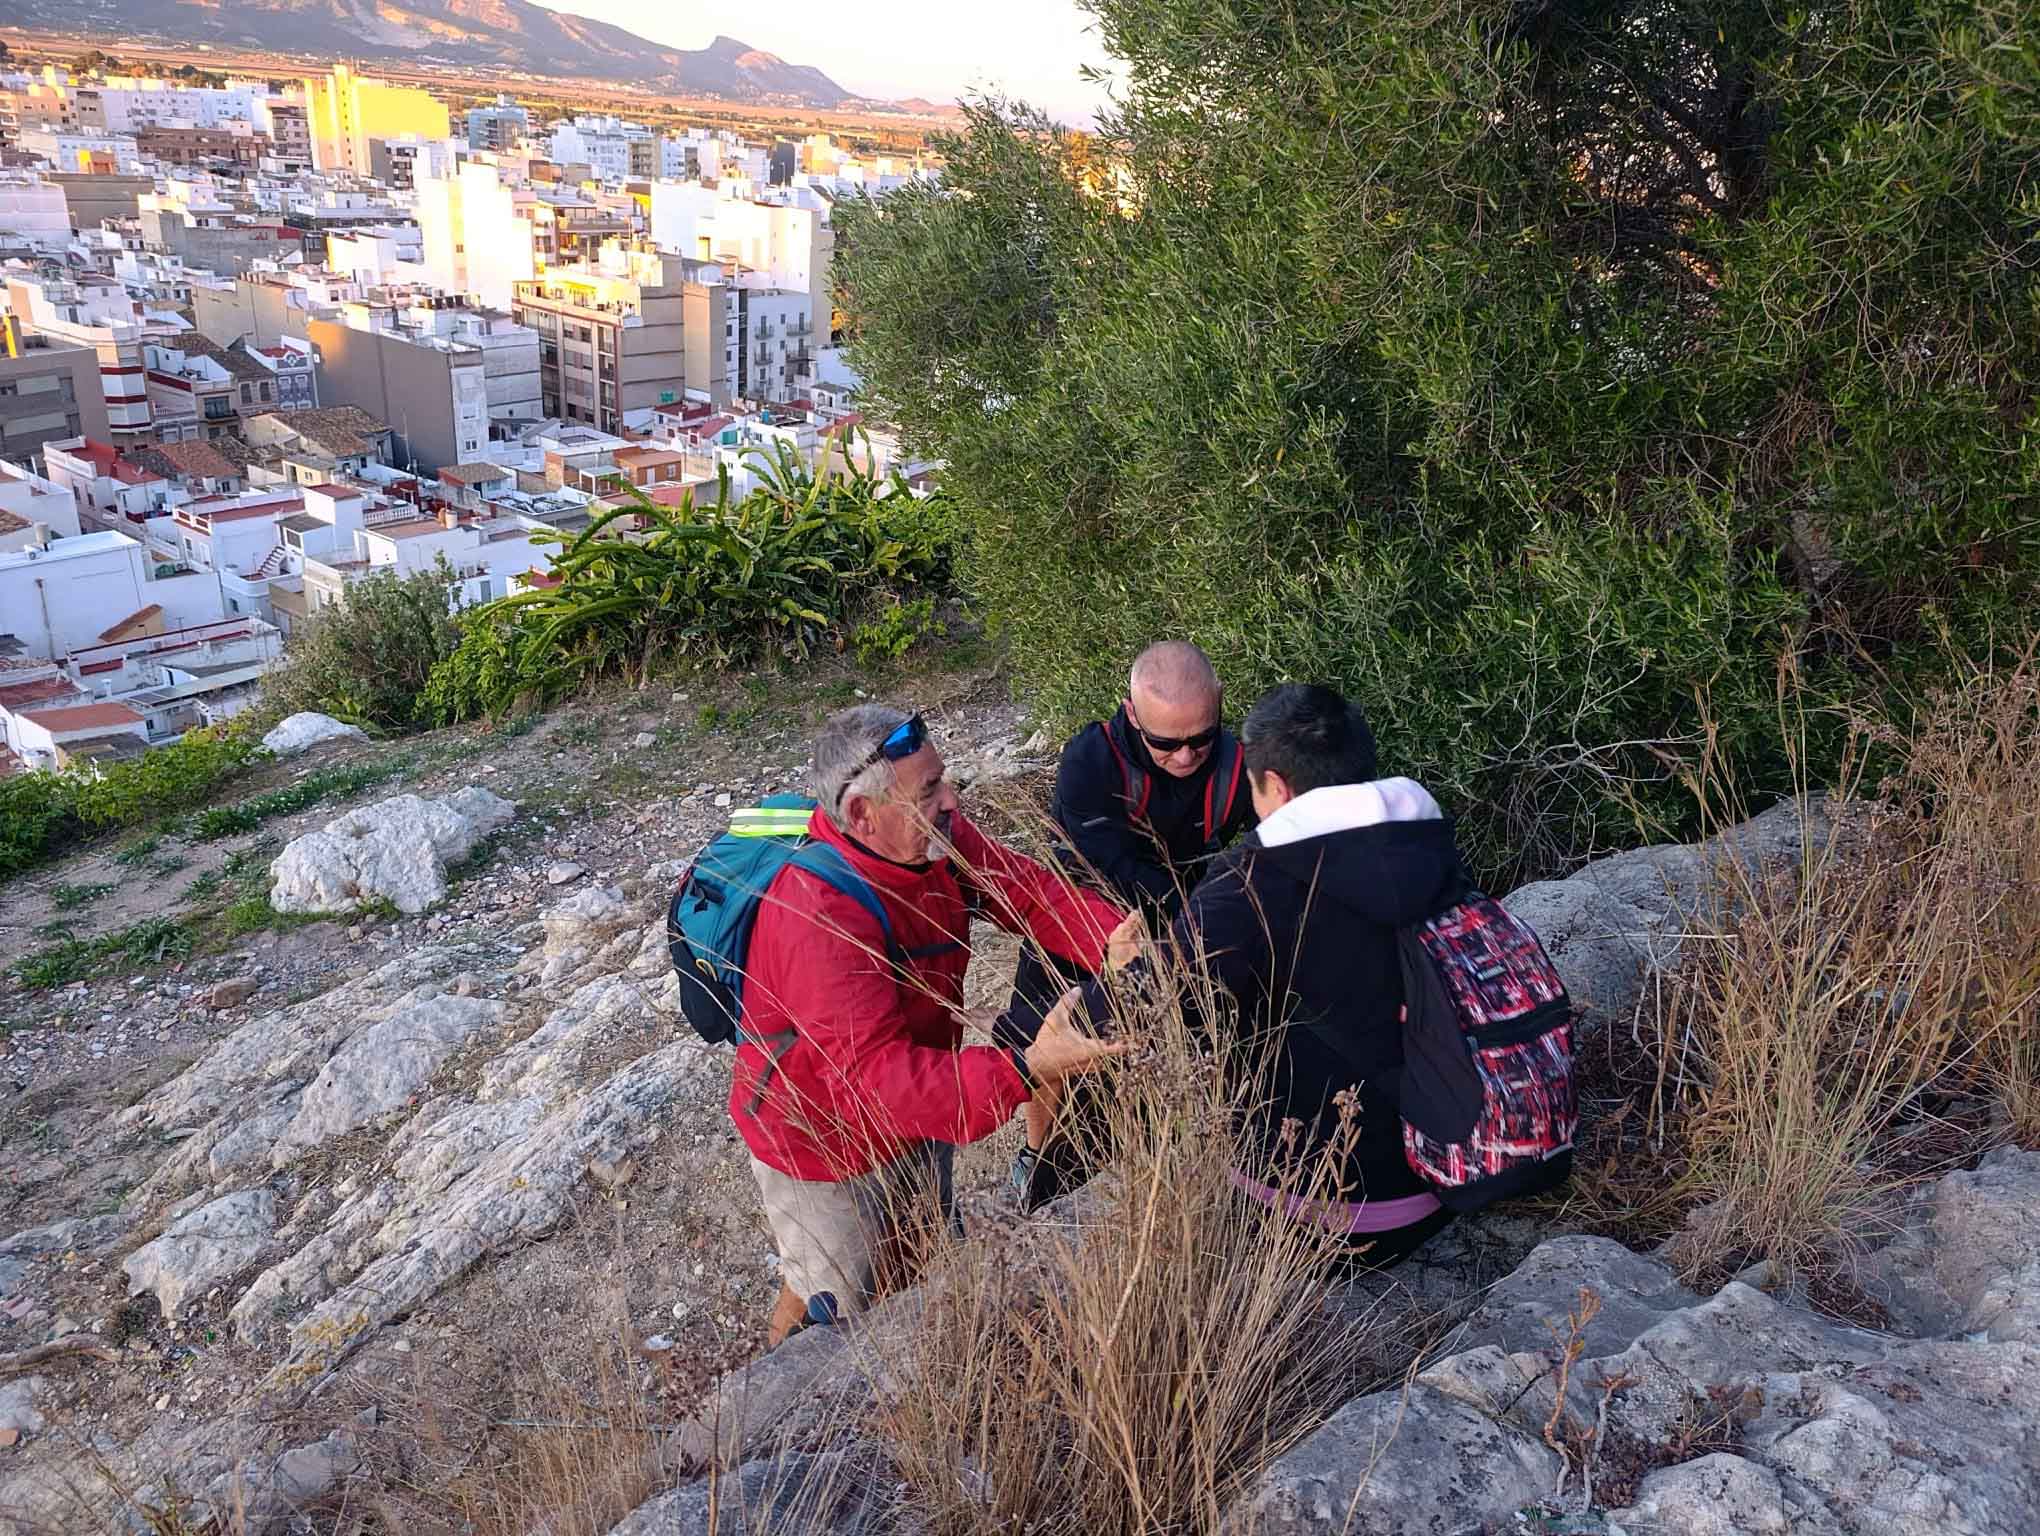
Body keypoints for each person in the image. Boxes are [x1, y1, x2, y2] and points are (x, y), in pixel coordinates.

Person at [732, 703, 1138, 1346]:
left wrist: (1113, 941)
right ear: (863, 815)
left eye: (942, 778)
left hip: (920, 1101)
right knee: (840, 1306)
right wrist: (1025, 1068)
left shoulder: (933, 839)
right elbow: (879, 1082)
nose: (952, 799)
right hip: (825, 1141)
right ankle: (778, 1395)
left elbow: (1029, 893)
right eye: (930, 790)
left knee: (910, 1258)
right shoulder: (817, 915)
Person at [1103, 683, 1466, 1268]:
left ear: (1274, 785)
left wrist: (1127, 968)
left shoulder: (1246, 883)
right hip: (1439, 1182)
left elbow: (1145, 1013)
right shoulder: (1426, 843)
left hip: (1314, 1218)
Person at [1004, 640, 1254, 1205]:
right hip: (1079, 922)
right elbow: (1102, 867)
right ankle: (1035, 1154)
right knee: (1043, 1043)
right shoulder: (1091, 761)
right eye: (1166, 743)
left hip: (1176, 934)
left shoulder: (1238, 765)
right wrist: (1202, 908)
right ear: (1132, 712)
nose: (1186, 757)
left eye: (1200, 738)